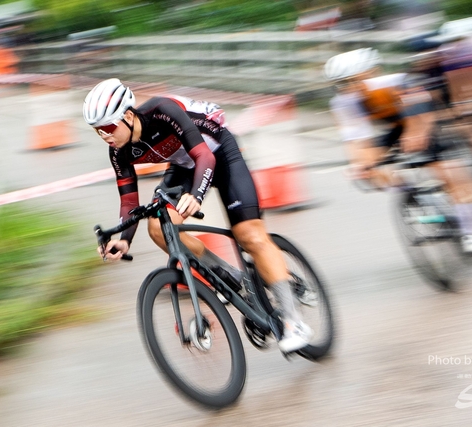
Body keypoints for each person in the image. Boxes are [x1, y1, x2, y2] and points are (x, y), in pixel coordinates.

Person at [83, 78, 312, 353]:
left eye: (108, 127)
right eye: (97, 131)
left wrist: (196, 195)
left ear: (129, 116)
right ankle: (231, 278)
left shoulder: (162, 110)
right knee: (158, 228)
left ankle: (293, 321)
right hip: (184, 165)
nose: (105, 135)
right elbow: (129, 201)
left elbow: (205, 156)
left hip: (219, 153)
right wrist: (124, 239)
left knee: (249, 235)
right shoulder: (118, 152)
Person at [324, 48, 472, 252]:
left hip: (425, 117)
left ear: (371, 73)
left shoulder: (398, 82)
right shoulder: (343, 102)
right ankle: (413, 194)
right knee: (370, 171)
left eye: (354, 81)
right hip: (396, 127)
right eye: (341, 84)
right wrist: (361, 165)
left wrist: (416, 134)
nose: (349, 89)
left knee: (447, 169)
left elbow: (422, 115)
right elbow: (356, 140)